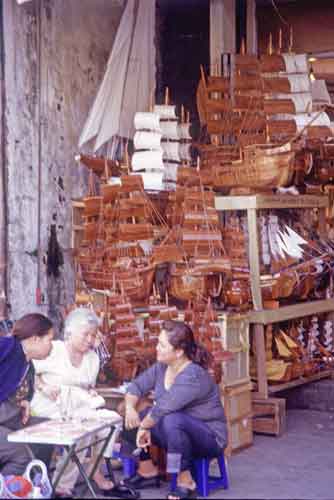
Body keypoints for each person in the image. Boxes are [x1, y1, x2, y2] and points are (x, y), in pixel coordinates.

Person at [31, 307, 136, 499]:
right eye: (85, 334)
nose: (89, 339)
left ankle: (93, 467)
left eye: (93, 334)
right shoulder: (53, 349)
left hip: (78, 406)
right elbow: (29, 371)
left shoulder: (92, 359)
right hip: (50, 405)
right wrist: (44, 386)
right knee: (83, 431)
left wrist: (90, 393)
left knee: (111, 421)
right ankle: (63, 487)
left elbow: (88, 387)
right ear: (69, 331)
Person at [123, 320, 228, 500]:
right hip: (176, 434)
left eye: (162, 345)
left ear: (179, 352)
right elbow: (136, 387)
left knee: (171, 419)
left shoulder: (192, 375)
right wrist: (129, 408)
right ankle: (147, 470)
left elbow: (164, 407)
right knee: (131, 419)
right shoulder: (162, 368)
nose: (157, 348)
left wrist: (145, 426)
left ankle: (185, 480)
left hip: (209, 437)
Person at [0, 313, 54, 476]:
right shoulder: (7, 346)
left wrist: (22, 401)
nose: (52, 346)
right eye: (49, 340)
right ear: (35, 339)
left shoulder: (28, 365)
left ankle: (36, 484)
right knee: (20, 455)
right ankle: (10, 491)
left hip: (8, 418)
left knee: (48, 432)